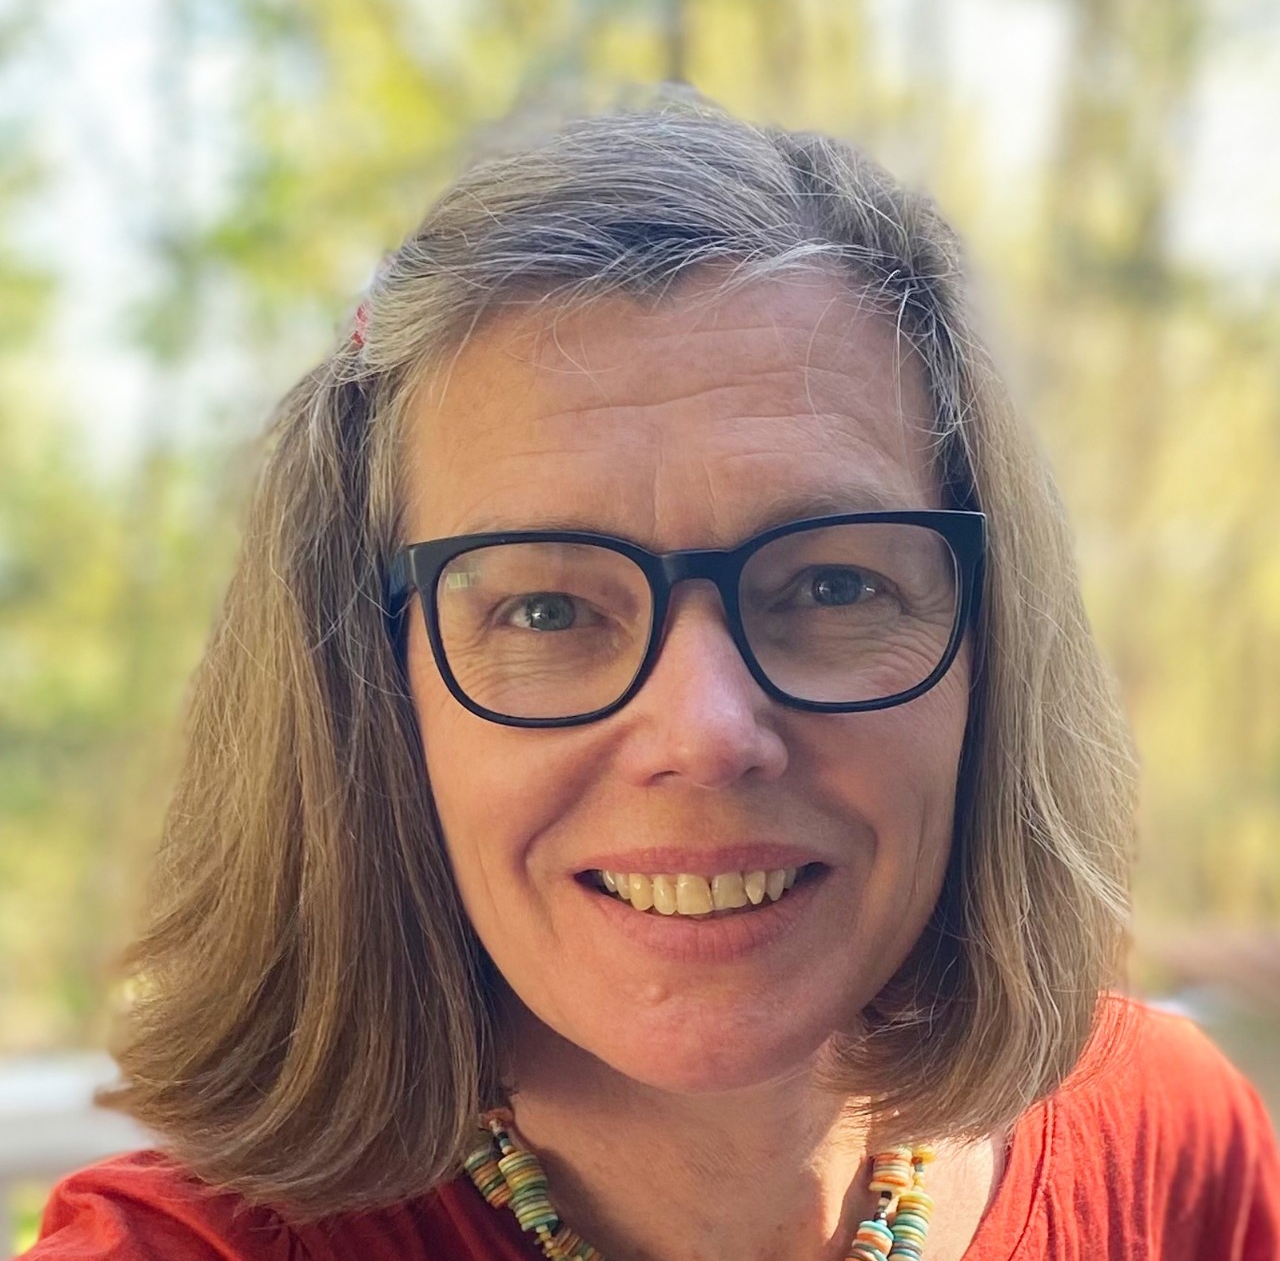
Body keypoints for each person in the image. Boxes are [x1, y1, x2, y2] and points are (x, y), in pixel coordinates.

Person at [21, 95, 1280, 1261]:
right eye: (545, 607)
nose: (704, 729)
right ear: (370, 698)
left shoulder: (1171, 1153)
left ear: (990, 657)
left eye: (832, 586)